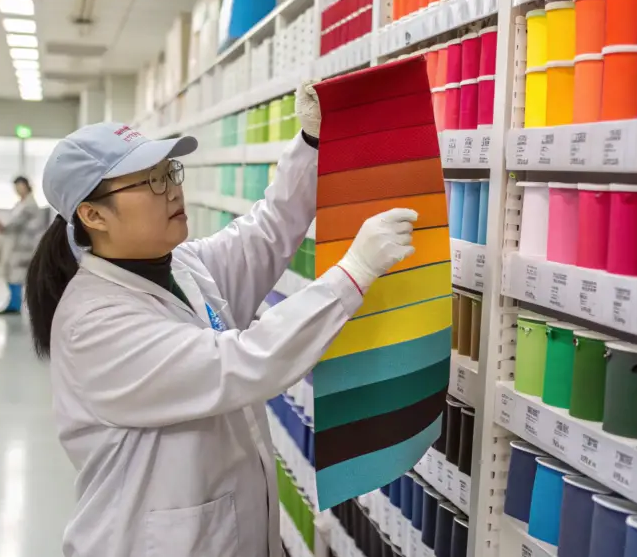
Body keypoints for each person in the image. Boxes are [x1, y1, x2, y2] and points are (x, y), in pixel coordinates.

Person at [26, 85, 417, 557]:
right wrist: (353, 274)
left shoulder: (182, 265)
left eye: (169, 172)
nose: (173, 189)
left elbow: (268, 230)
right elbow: (243, 362)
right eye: (149, 182)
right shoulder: (93, 325)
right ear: (93, 215)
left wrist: (311, 142)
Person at [0, 176, 44, 315]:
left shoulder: (29, 205)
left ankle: (15, 305)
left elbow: (13, 224)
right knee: (12, 274)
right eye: (16, 187)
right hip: (16, 245)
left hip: (23, 247)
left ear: (27, 186)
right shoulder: (20, 204)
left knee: (15, 275)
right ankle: (14, 303)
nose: (18, 190)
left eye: (20, 186)